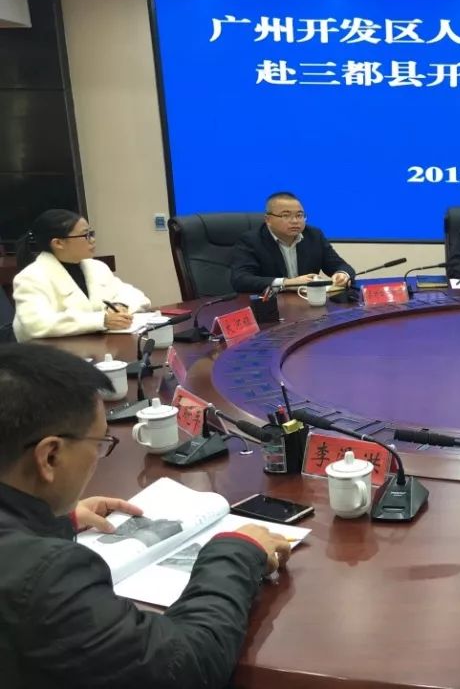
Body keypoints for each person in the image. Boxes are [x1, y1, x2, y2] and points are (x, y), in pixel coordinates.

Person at [0, 343, 292, 688]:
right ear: (50, 457)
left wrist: (52, 520)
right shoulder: (46, 576)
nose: (98, 457)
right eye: (99, 443)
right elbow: (184, 667)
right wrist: (236, 552)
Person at [12, 209, 151, 341]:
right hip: (50, 353)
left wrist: (119, 305)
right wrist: (102, 320)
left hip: (97, 346)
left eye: (91, 233)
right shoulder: (31, 277)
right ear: (58, 243)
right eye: (85, 235)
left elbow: (135, 295)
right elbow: (37, 323)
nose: (92, 240)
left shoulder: (96, 267)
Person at [230, 191, 356, 294]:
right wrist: (287, 283)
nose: (295, 221)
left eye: (299, 215)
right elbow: (240, 280)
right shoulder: (251, 240)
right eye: (286, 215)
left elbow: (341, 266)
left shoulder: (314, 235)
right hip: (270, 306)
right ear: (268, 219)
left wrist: (342, 275)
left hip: (307, 304)